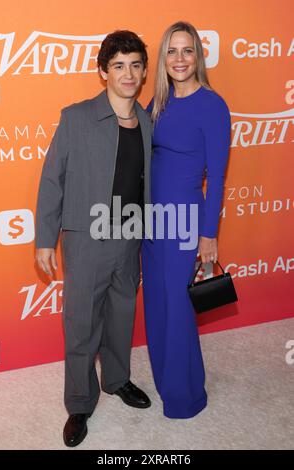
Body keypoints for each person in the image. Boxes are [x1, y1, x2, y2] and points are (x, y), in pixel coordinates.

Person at [35, 30, 152, 447]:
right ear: (103, 71)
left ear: (143, 72)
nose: (128, 73)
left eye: (136, 65)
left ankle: (117, 380)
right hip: (87, 239)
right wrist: (45, 239)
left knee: (122, 317)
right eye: (119, 65)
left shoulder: (148, 120)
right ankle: (80, 404)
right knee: (82, 323)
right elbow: (52, 180)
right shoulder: (77, 116)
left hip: (131, 237)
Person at [142, 21, 231, 419]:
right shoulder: (157, 102)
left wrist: (208, 234)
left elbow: (218, 177)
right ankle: (166, 382)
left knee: (178, 307)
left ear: (198, 56)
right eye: (172, 51)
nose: (179, 59)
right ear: (163, 59)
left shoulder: (213, 105)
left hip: (185, 222)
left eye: (187, 50)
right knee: (158, 304)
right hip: (152, 221)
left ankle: (186, 396)